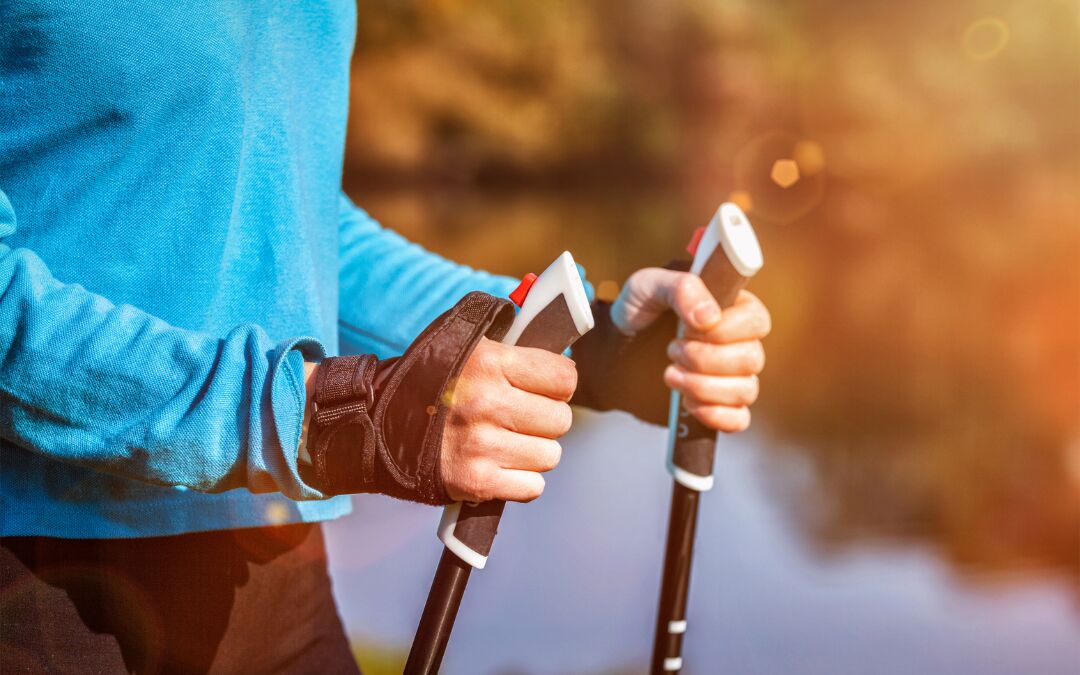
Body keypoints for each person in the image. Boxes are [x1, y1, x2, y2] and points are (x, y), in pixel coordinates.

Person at [0, 3, 770, 673]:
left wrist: (586, 345)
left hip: (272, 566)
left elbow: (299, 227)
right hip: (36, 575)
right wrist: (327, 417)